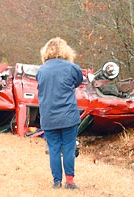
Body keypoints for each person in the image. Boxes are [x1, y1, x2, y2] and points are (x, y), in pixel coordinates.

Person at [36, 37, 83, 189]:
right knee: (69, 148)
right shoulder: (71, 68)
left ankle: (56, 182)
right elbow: (78, 81)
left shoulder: (41, 70)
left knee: (54, 149)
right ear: (66, 51)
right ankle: (70, 181)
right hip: (68, 116)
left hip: (48, 117)